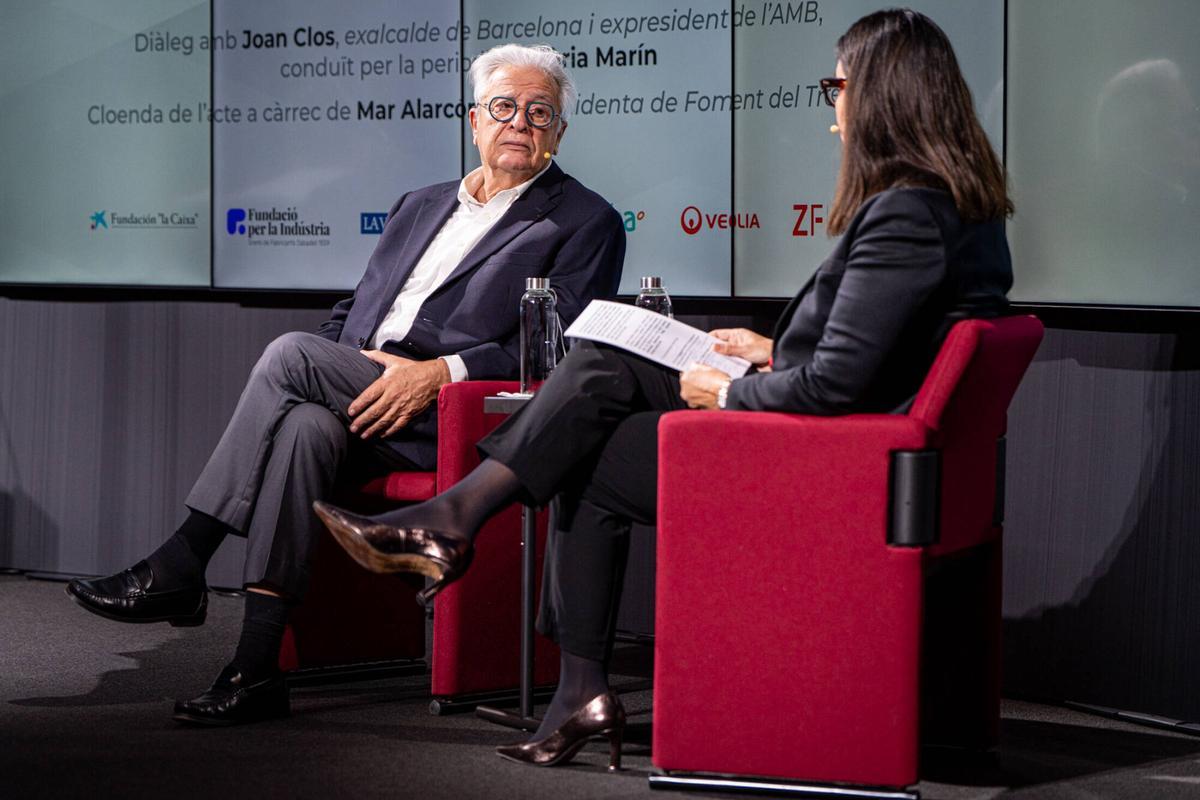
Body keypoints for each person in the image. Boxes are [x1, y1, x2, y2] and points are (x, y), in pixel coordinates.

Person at [315, 7, 1014, 770]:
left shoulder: (905, 212)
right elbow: (882, 357)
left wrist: (733, 394)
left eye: (837, 86)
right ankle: (480, 552)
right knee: (601, 358)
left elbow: (838, 388)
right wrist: (774, 350)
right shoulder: (953, 204)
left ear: (883, 95)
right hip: (862, 444)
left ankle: (484, 556)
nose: (832, 106)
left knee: (584, 448)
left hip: (837, 466)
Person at [65, 43, 625, 726]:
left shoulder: (584, 220)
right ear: (474, 119)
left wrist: (438, 373)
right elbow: (355, 312)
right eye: (505, 107)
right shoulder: (418, 205)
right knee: (302, 425)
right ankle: (255, 668)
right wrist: (340, 369)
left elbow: (559, 343)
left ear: (559, 133)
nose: (521, 123)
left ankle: (185, 558)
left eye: (541, 113)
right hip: (360, 392)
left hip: (449, 417)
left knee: (291, 355)